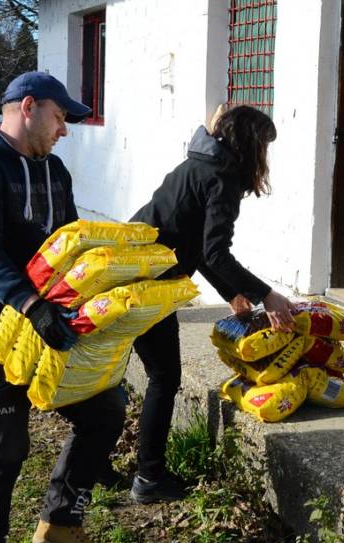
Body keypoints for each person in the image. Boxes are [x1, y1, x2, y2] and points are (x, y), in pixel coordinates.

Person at [0, 72, 126, 543]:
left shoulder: (56, 171)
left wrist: (107, 288)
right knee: (3, 442)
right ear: (28, 107)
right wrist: (30, 304)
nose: (66, 129)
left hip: (53, 320)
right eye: (60, 117)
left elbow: (70, 242)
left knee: (105, 411)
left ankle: (61, 521)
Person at [126, 105, 295, 503]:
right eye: (264, 148)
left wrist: (231, 293)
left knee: (126, 372)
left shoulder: (200, 164)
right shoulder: (223, 178)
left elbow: (199, 249)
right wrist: (265, 293)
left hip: (132, 270)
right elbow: (216, 253)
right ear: (251, 146)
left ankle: (102, 466)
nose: (265, 159)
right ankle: (149, 478)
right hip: (150, 283)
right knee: (164, 378)